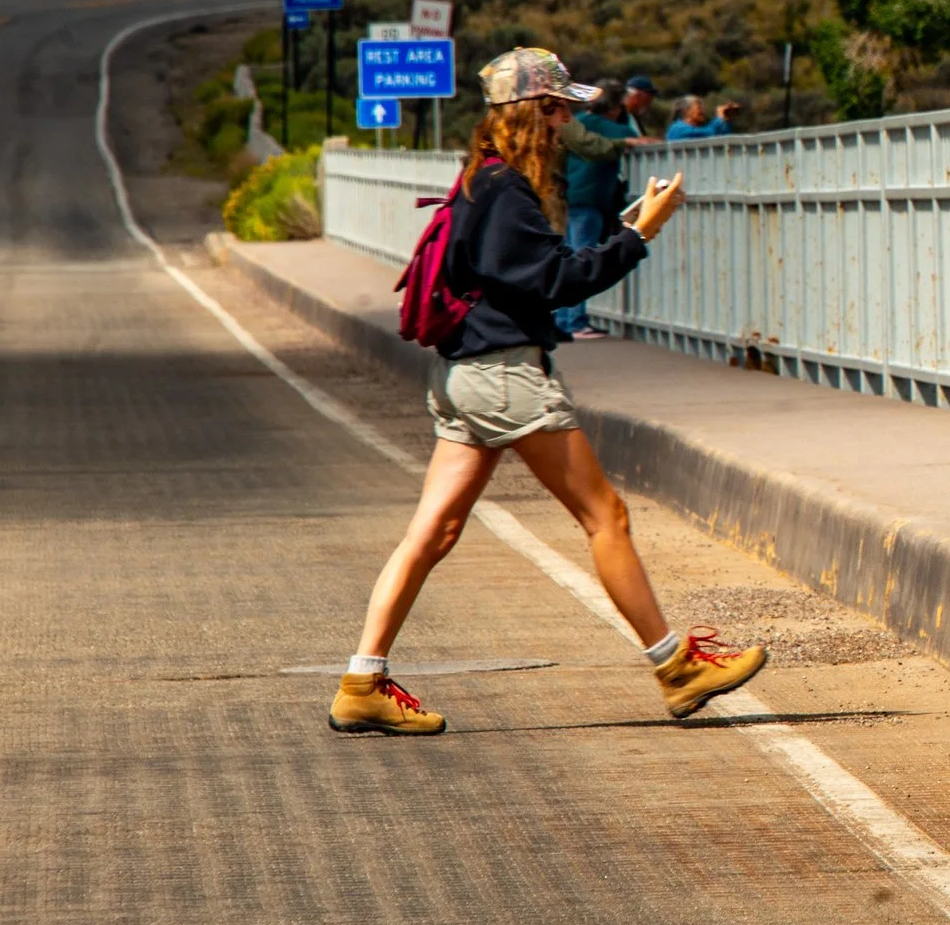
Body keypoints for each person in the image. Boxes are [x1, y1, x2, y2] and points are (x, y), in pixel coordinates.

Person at [328, 47, 768, 735]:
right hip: (505, 377)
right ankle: (676, 668)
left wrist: (619, 232)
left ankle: (363, 680)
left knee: (433, 531)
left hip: (465, 376)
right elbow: (558, 281)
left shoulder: (480, 179)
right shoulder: (505, 191)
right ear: (538, 112)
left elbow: (535, 270)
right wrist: (637, 233)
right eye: (560, 108)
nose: (567, 121)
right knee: (605, 517)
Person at [553, 86, 643, 341]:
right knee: (582, 255)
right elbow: (601, 142)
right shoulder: (604, 128)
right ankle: (576, 322)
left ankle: (562, 320)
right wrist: (628, 136)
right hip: (588, 200)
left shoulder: (578, 121)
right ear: (615, 109)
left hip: (567, 199)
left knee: (567, 253)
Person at [666, 93, 741, 141]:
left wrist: (726, 120)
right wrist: (719, 118)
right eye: (699, 108)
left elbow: (725, 139)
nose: (703, 111)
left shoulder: (695, 129)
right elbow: (710, 133)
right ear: (686, 111)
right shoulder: (677, 129)